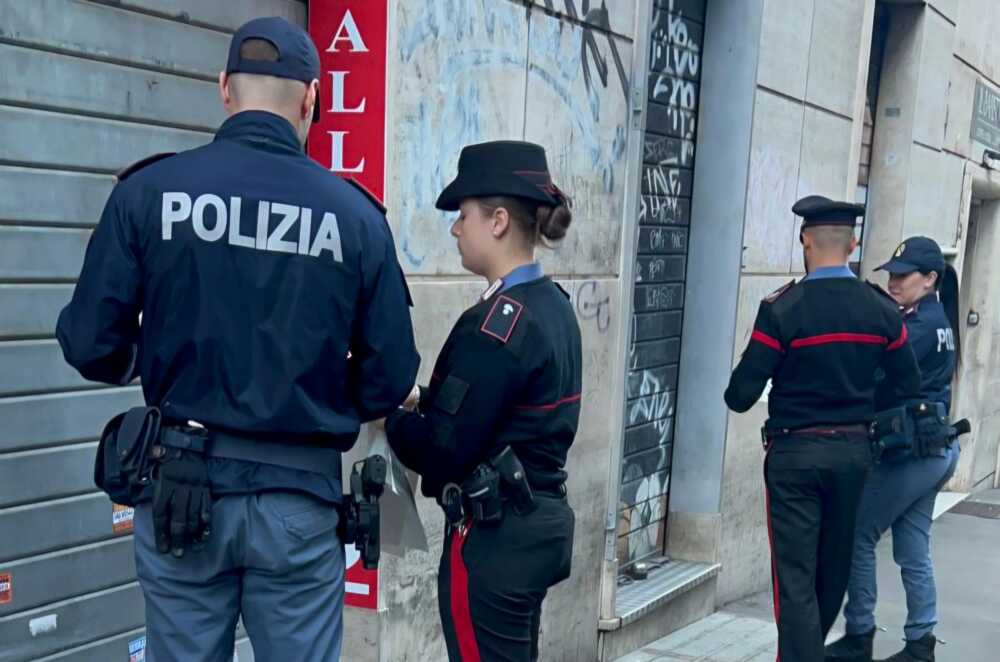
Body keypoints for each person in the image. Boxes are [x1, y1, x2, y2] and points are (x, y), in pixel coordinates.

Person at [55, 17, 418, 662]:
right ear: (311, 99)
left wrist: (153, 349)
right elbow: (389, 381)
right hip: (298, 503)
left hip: (180, 494)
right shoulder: (358, 219)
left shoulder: (148, 193)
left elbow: (89, 345)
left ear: (223, 88)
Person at [382, 141, 580, 662]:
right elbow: (501, 410)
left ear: (496, 221)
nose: (454, 228)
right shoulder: (552, 306)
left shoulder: (497, 324)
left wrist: (393, 416)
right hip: (535, 519)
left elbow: (443, 449)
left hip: (495, 538)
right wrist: (424, 398)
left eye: (462, 215)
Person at [724, 195, 922, 662]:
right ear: (852, 244)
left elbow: (740, 395)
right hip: (854, 454)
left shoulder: (782, 309)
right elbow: (907, 385)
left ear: (804, 242)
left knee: (794, 579)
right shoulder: (881, 311)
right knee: (831, 572)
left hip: (795, 456)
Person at [825, 237, 961, 662]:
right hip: (932, 448)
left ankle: (859, 633)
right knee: (912, 545)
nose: (894, 282)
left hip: (915, 451)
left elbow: (873, 374)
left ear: (931, 279)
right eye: (892, 274)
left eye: (904, 275)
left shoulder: (918, 327)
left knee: (857, 534)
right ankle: (920, 642)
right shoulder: (934, 318)